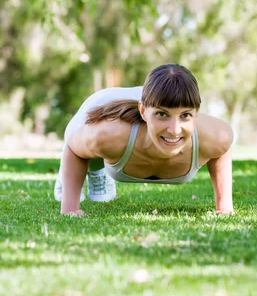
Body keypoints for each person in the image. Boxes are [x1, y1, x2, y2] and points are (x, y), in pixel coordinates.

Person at [54, 63, 234, 217]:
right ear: (143, 112)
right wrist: (70, 208)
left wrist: (224, 206)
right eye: (162, 114)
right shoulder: (108, 134)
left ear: (196, 114)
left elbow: (222, 151)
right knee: (88, 149)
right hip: (103, 105)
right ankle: (95, 172)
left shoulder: (216, 136)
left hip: (151, 102)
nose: (174, 129)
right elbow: (73, 148)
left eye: (185, 115)